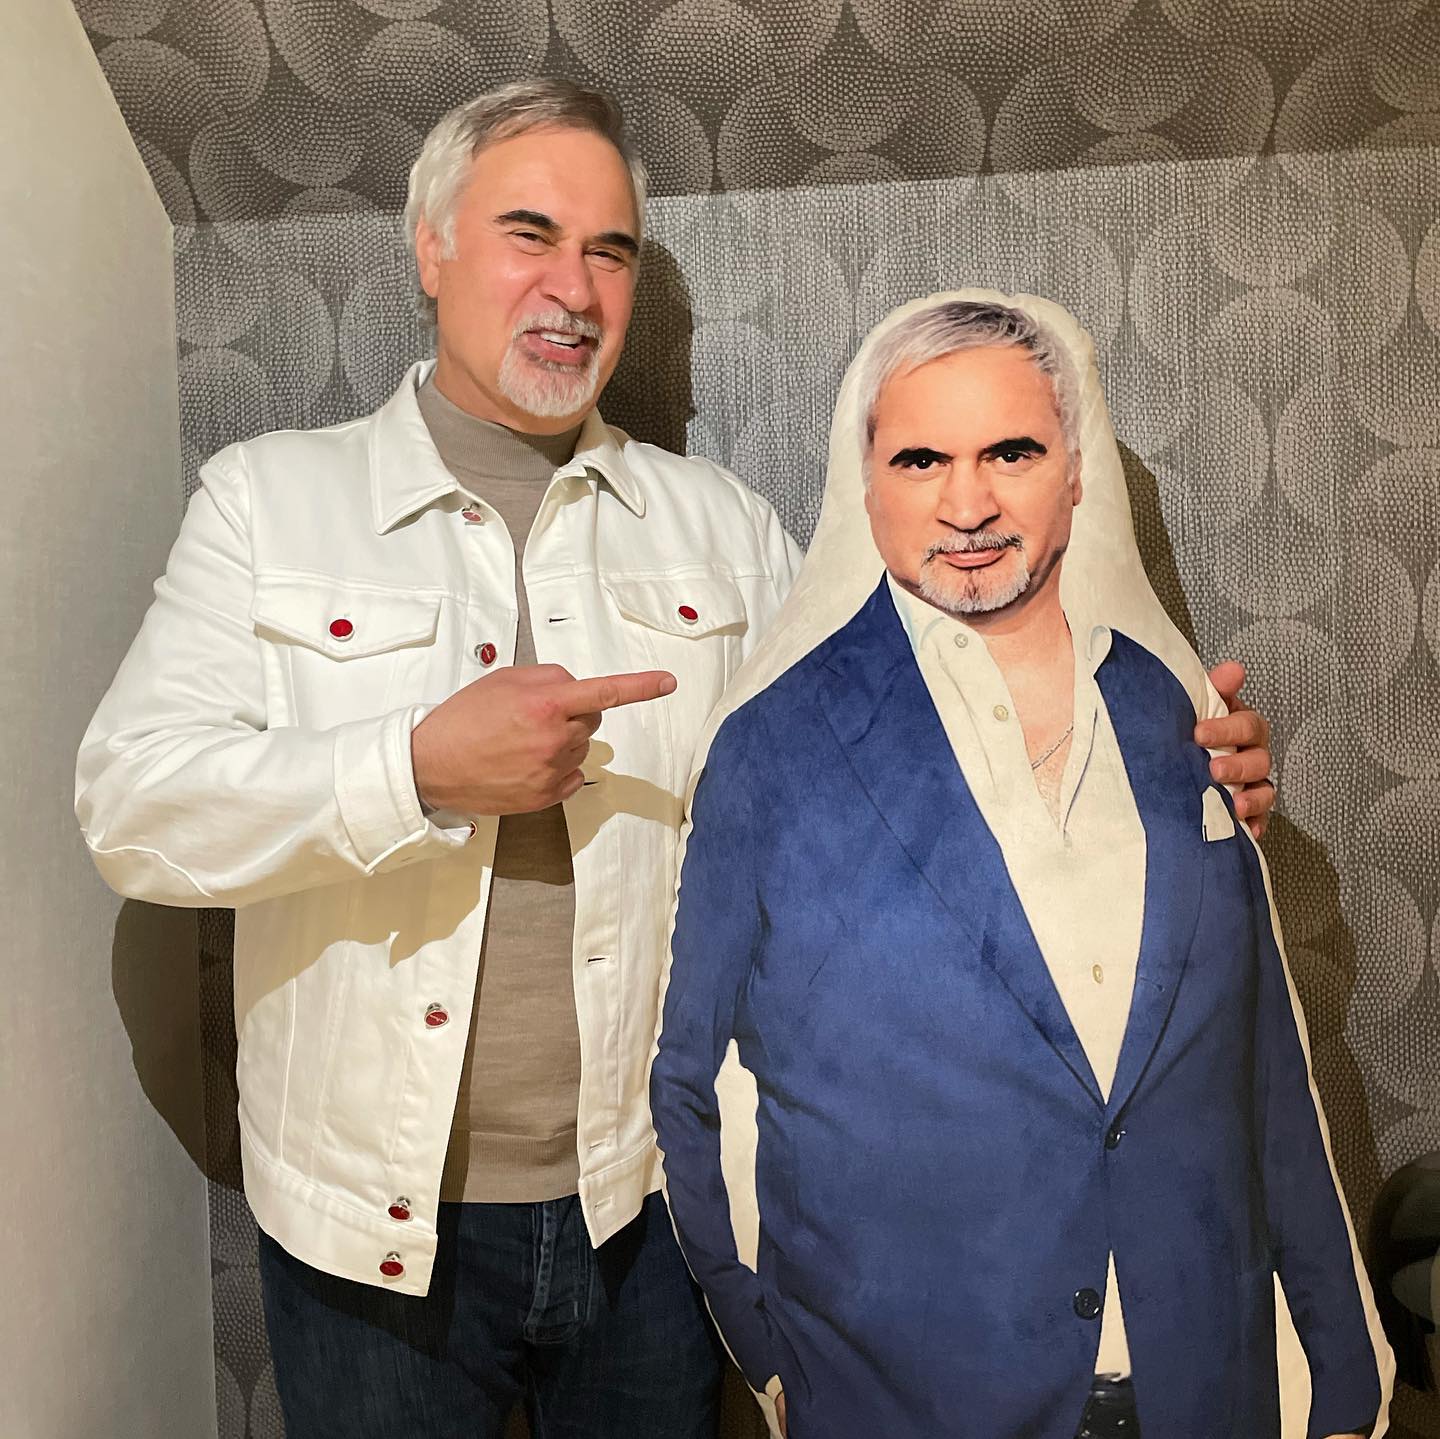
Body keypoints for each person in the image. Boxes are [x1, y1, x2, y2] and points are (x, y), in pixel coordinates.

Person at [74, 81, 1275, 1439]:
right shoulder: (267, 500)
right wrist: (414, 767)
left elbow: (921, 762)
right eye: (531, 234)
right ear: (432, 247)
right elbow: (131, 805)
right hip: (365, 1233)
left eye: (612, 251)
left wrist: (1160, 778)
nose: (574, 288)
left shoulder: (726, 533)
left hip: (643, 1215)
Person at [650, 296, 1391, 1439]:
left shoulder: (1176, 713)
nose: (968, 504)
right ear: (866, 485)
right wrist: (768, 1349)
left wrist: (1341, 1380)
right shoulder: (770, 747)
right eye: (922, 459)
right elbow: (688, 1080)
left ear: (1076, 472)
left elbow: (1263, 1070)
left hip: (1203, 1382)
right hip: (905, 1396)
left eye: (1011, 452)